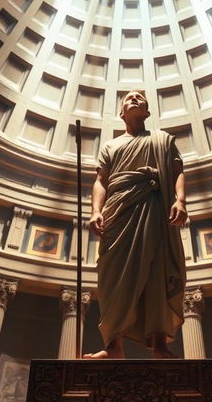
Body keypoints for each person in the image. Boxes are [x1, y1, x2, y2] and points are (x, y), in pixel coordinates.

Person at [84, 90, 187, 359]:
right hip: (117, 214)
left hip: (154, 209)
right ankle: (113, 347)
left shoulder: (162, 140)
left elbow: (177, 172)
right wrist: (95, 211)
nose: (134, 98)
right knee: (113, 277)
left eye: (140, 98)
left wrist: (181, 201)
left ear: (147, 112)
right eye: (129, 98)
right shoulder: (110, 146)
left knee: (156, 273)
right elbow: (100, 181)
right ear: (121, 112)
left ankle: (160, 346)